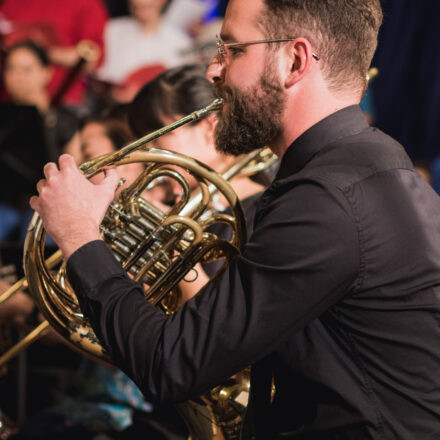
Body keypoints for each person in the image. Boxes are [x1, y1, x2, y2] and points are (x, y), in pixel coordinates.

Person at [29, 1, 440, 439]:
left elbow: (171, 364)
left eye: (232, 50)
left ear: (295, 60)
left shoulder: (326, 199)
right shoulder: (370, 166)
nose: (212, 71)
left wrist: (78, 233)